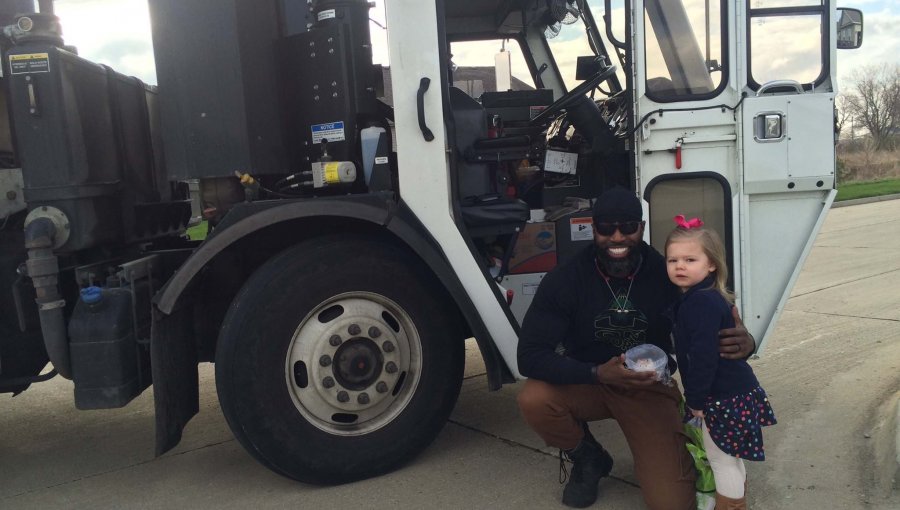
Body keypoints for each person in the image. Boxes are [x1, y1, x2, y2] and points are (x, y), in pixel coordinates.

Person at [516, 186, 755, 510]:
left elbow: (714, 310)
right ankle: (589, 458)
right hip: (591, 381)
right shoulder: (567, 278)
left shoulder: (668, 272)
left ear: (641, 228)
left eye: (628, 227)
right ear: (593, 228)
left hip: (648, 387)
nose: (617, 237)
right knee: (534, 398)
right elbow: (529, 357)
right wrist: (597, 372)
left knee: (671, 503)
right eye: (606, 228)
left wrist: (745, 341)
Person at [665, 216, 776, 510]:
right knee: (731, 457)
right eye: (672, 260)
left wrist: (696, 400)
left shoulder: (700, 304)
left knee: (720, 459)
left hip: (721, 396)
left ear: (711, 264)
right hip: (738, 391)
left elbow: (703, 357)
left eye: (690, 259)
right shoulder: (704, 297)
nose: (679, 266)